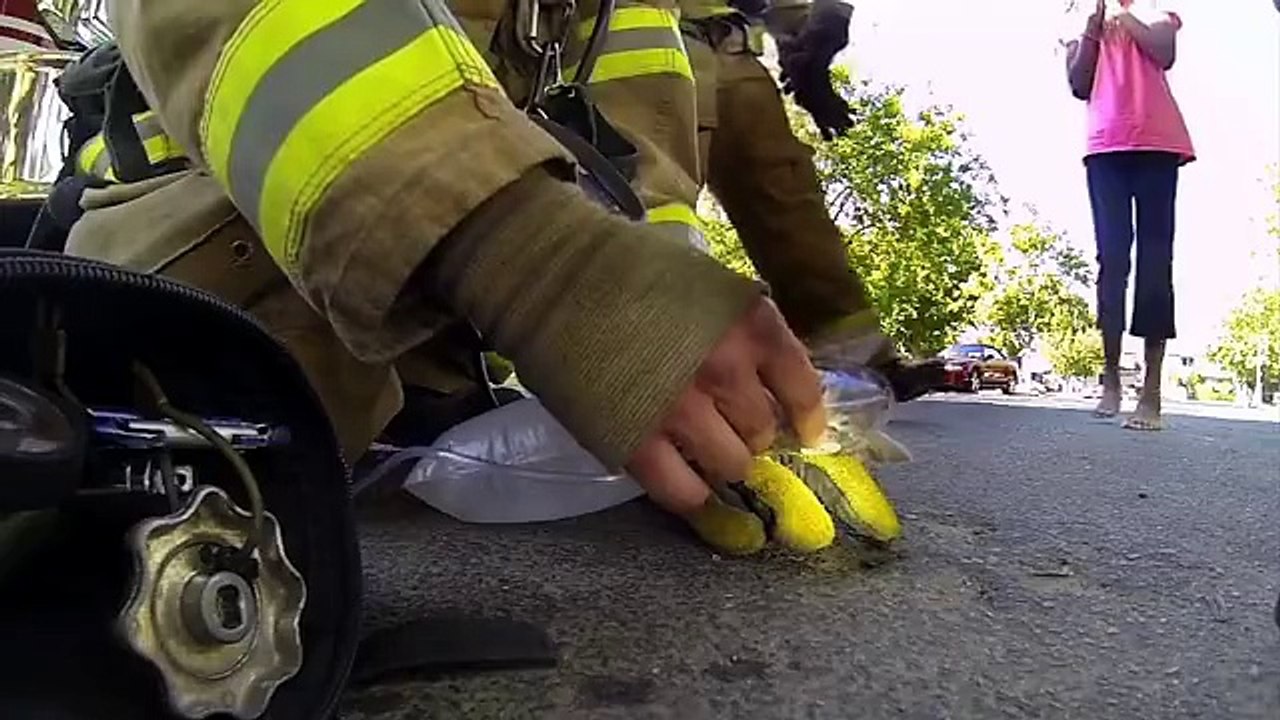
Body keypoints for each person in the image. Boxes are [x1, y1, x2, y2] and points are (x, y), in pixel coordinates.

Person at [65, 0, 831, 554]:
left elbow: (643, 183)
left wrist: (673, 367)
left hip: (421, 368)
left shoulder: (637, 15)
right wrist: (536, 262)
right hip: (201, 281)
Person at [680, 0, 946, 400]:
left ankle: (856, 361)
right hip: (632, 34)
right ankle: (650, 364)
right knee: (651, 199)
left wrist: (811, 35)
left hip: (728, 47)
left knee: (784, 188)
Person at [1064, 0, 1193, 430]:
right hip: (1105, 147)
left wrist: (1122, 15)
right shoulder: (1080, 17)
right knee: (1111, 259)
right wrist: (1092, 26)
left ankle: (1151, 392)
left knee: (1156, 262)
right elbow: (1079, 83)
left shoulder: (1155, 9)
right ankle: (1112, 381)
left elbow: (1165, 52)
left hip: (1158, 143)